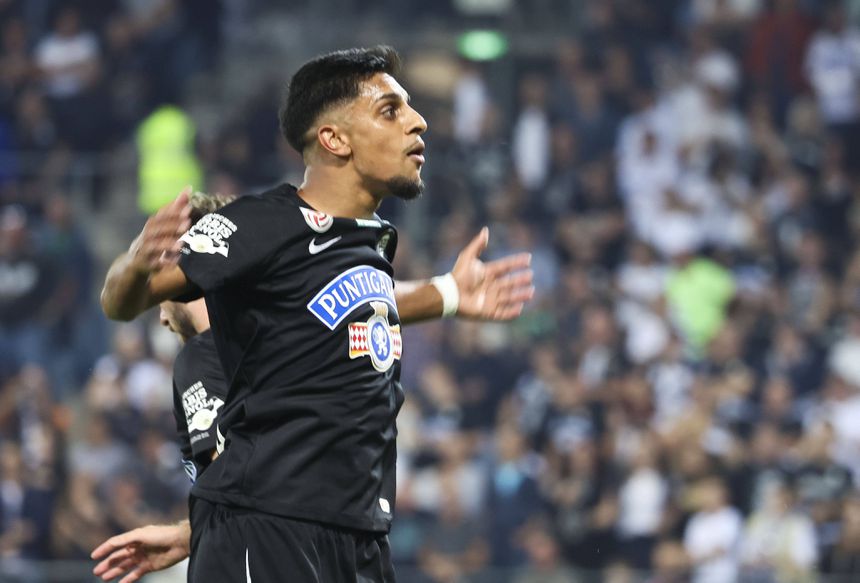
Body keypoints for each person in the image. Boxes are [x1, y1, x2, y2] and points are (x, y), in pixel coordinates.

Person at [100, 45, 534, 582]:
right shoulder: (261, 223)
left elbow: (344, 306)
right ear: (334, 139)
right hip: (269, 533)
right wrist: (134, 263)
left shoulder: (366, 241)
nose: (418, 121)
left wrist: (446, 293)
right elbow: (124, 301)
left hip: (359, 537)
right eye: (390, 110)